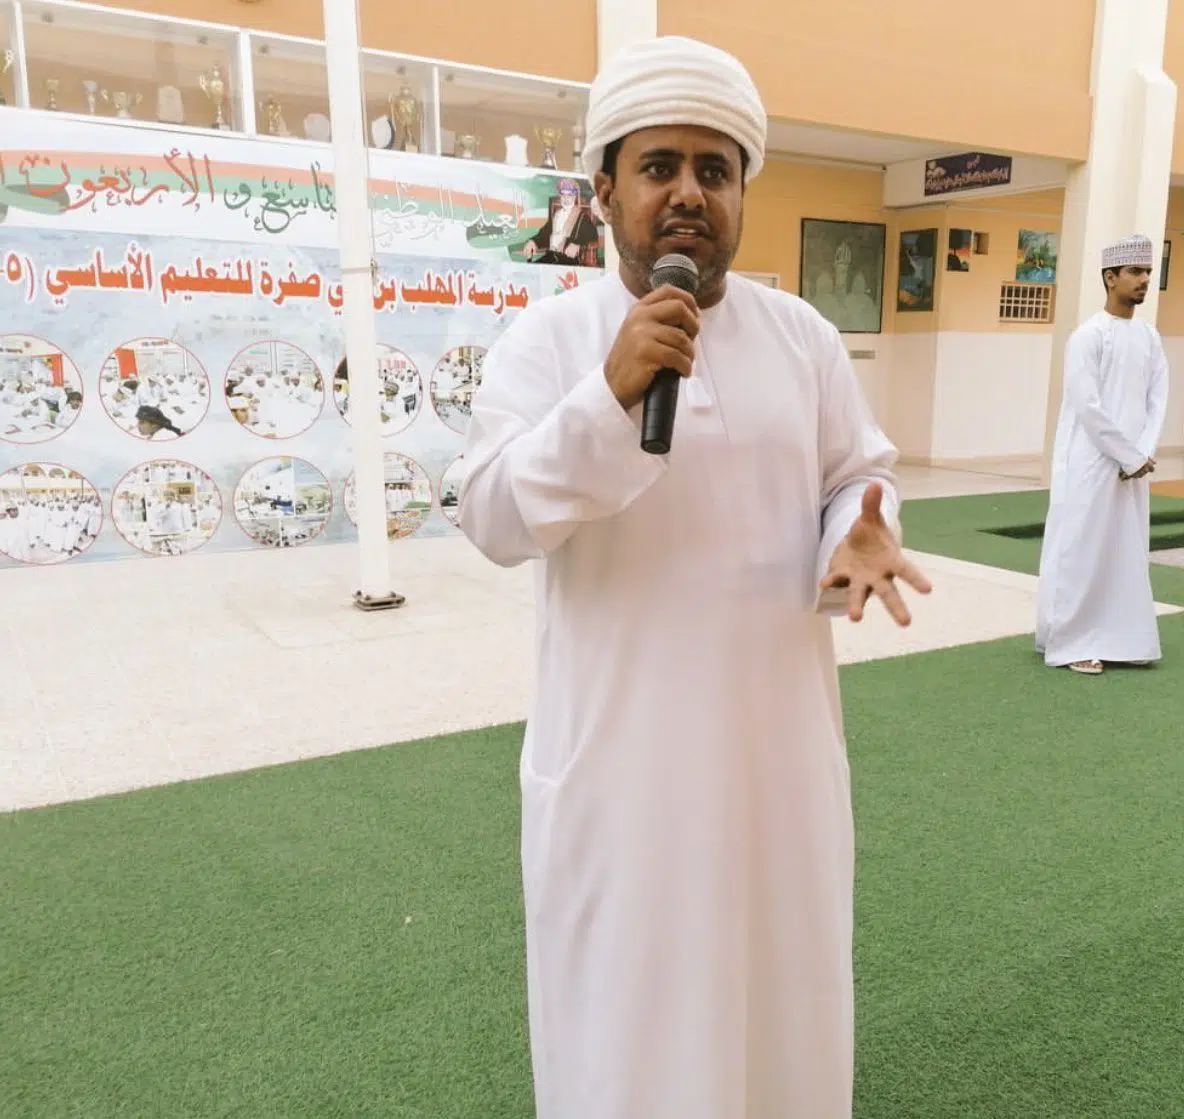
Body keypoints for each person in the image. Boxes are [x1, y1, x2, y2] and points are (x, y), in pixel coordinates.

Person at [456, 34, 932, 1119]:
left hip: (777, 767)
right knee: (629, 1039)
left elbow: (854, 474)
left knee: (782, 1019)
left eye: (714, 170)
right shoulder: (549, 340)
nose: (687, 194)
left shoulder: (802, 337)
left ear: (741, 195)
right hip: (623, 778)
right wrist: (607, 396)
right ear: (604, 189)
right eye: (659, 166)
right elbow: (490, 516)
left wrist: (858, 530)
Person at [1036, 234, 1170, 675]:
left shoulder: (1149, 337)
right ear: (1110, 278)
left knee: (1124, 551)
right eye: (1134, 272)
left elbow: (1157, 398)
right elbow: (1087, 406)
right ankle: (1071, 641)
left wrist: (1143, 452)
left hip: (1135, 465)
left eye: (1147, 272)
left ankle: (1123, 640)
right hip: (1090, 461)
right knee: (1082, 549)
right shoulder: (1087, 336)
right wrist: (1126, 455)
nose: (1144, 280)